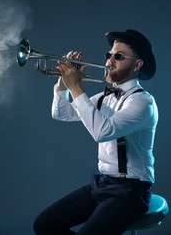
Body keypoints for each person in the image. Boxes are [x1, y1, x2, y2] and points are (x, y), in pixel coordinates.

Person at [33, 29, 158, 235]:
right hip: (101, 183)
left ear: (137, 65)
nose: (109, 61)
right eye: (109, 55)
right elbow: (61, 113)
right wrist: (64, 83)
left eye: (118, 57)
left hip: (131, 191)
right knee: (43, 225)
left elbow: (102, 131)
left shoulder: (143, 103)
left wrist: (76, 87)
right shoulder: (104, 98)